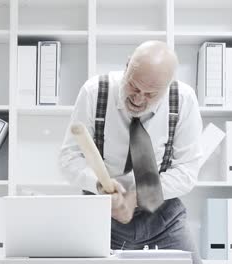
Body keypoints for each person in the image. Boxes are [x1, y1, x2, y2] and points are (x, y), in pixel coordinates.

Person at [60, 40, 203, 264]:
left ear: (166, 87)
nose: (138, 99)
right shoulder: (94, 92)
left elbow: (187, 171)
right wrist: (100, 186)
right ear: (127, 66)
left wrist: (135, 197)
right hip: (102, 213)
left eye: (150, 94)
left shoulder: (184, 100)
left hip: (163, 217)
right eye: (134, 87)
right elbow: (69, 159)